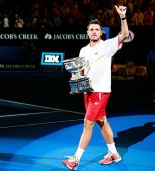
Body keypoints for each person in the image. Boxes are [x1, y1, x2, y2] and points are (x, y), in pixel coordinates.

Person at [62, 5, 129, 171]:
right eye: (91, 29)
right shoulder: (83, 50)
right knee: (102, 121)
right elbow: (81, 71)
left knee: (88, 123)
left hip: (101, 91)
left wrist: (122, 17)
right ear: (87, 32)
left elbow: (125, 34)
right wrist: (75, 77)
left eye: (97, 29)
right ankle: (114, 154)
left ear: (101, 33)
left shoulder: (107, 46)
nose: (94, 32)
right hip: (88, 91)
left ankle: (75, 160)